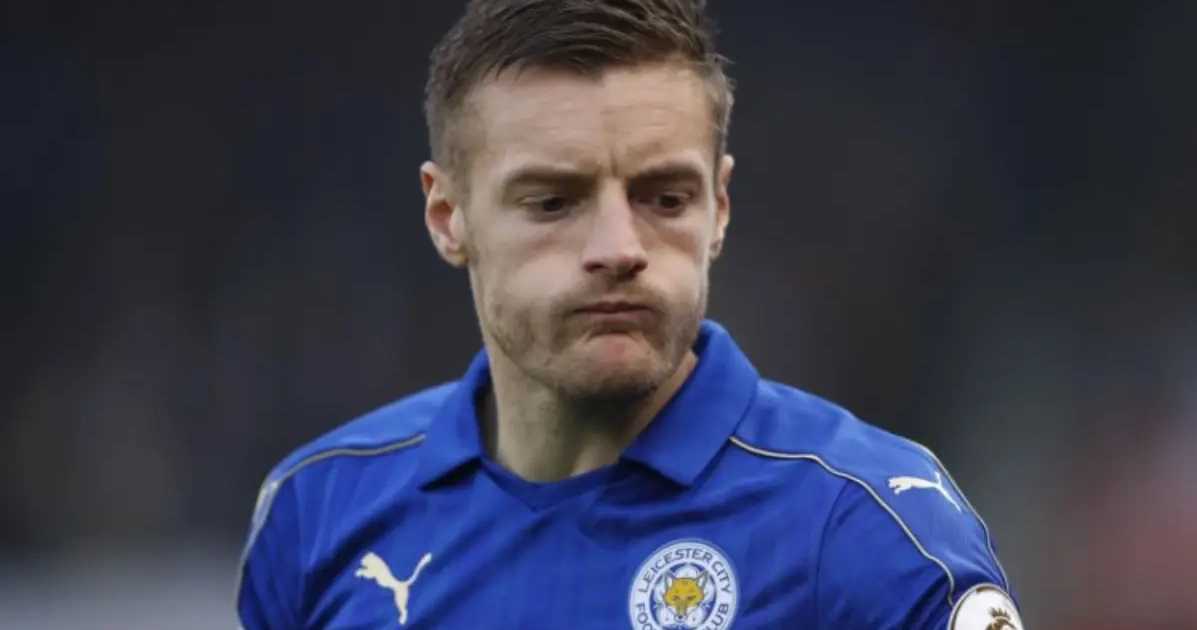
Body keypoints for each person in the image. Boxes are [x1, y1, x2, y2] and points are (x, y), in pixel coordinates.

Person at [236, 1, 1022, 628]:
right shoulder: (319, 510)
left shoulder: (868, 533)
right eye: (553, 202)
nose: (619, 248)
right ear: (448, 217)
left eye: (665, 199)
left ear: (719, 207)